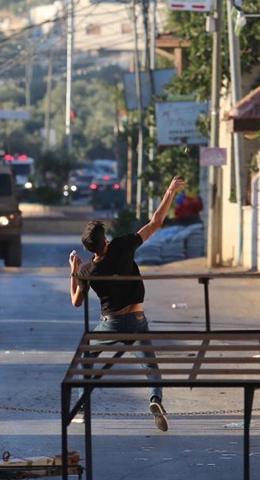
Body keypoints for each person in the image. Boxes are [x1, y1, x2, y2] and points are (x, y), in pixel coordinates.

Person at [68, 175, 186, 432]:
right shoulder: (123, 246)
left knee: (85, 358)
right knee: (150, 364)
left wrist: (74, 272)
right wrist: (170, 190)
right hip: (136, 320)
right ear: (106, 240)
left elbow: (76, 301)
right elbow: (155, 222)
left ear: (90, 249)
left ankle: (81, 407)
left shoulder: (88, 270)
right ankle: (155, 399)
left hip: (109, 325)